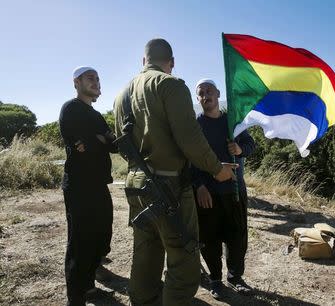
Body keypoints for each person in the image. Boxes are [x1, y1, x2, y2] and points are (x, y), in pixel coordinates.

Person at [113, 38, 237, 306]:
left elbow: (121, 144)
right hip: (168, 186)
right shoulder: (171, 85)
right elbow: (190, 139)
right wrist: (217, 169)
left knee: (146, 253)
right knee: (184, 262)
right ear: (171, 63)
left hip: (135, 183)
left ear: (143, 61)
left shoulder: (121, 94)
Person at [192, 79, 255, 299]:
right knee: (209, 239)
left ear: (218, 93)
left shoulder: (233, 122)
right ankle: (216, 280)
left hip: (235, 191)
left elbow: (250, 145)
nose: (205, 95)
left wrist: (239, 149)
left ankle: (235, 277)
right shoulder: (195, 126)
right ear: (198, 98)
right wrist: (199, 186)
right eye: (201, 93)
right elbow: (189, 160)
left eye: (209, 91)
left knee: (237, 238)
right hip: (208, 194)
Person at [59, 66, 116, 305]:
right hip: (79, 186)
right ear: (77, 82)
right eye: (90, 78)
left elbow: (113, 145)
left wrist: (100, 140)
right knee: (80, 239)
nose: (96, 82)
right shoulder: (71, 109)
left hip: (98, 184)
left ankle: (89, 286)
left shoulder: (95, 114)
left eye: (98, 78)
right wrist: (99, 140)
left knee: (101, 234)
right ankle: (76, 296)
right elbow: (82, 146)